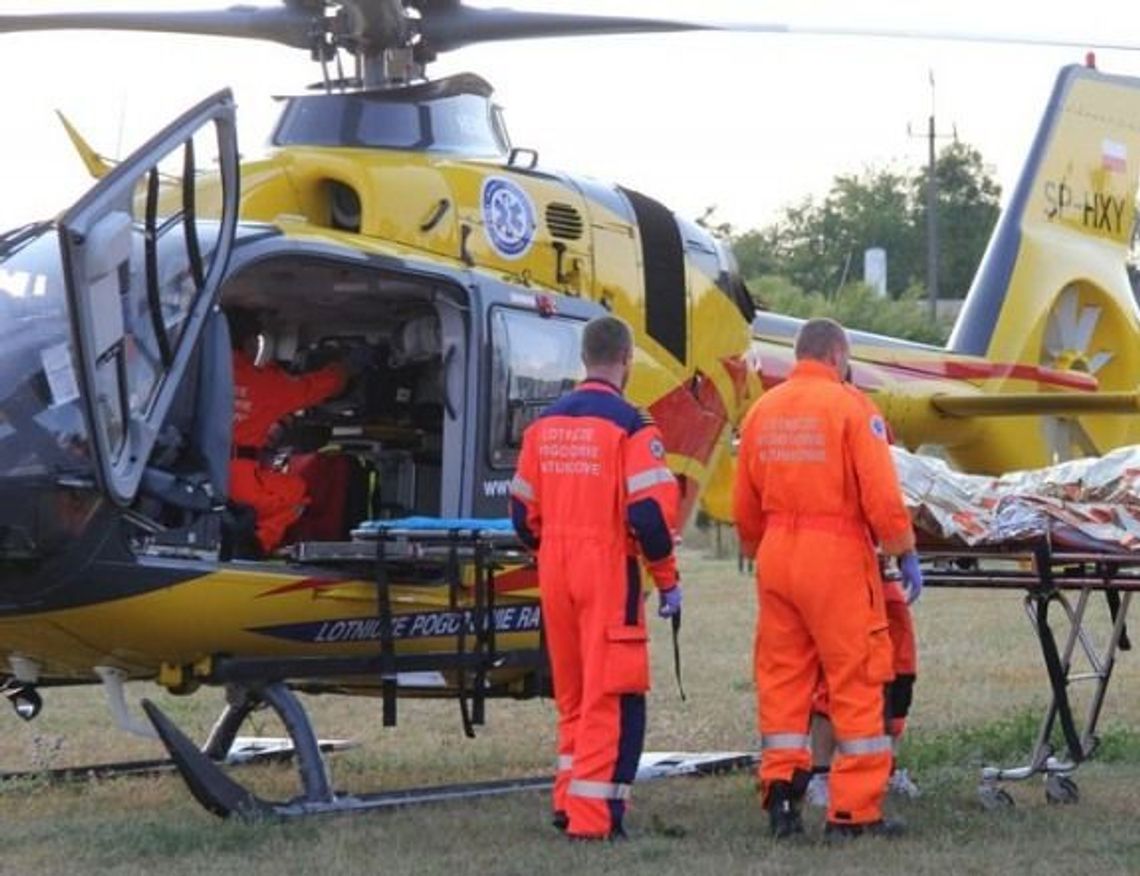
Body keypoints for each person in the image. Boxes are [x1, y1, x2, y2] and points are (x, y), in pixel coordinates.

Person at [732, 317, 923, 840]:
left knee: (783, 679)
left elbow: (743, 502)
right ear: (839, 356)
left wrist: (757, 545)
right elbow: (881, 494)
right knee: (857, 678)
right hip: (835, 556)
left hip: (776, 556)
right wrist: (902, 549)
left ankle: (781, 800)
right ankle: (854, 813)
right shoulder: (852, 407)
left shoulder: (761, 412)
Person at [509, 314, 682, 841]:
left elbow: (521, 516)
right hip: (607, 569)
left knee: (576, 696)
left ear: (584, 359)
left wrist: (555, 547)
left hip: (555, 567)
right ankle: (594, 818)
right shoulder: (632, 426)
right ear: (626, 361)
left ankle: (569, 800)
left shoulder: (543, 426)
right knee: (616, 694)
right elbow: (649, 516)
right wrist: (667, 579)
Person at [227, 307, 352, 555]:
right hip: (236, 480)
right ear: (250, 342)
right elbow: (311, 389)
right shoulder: (264, 383)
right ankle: (256, 546)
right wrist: (344, 371)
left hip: (194, 474)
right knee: (294, 491)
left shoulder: (193, 374)